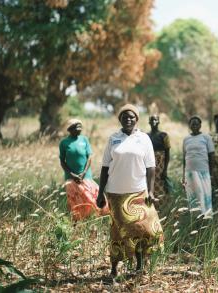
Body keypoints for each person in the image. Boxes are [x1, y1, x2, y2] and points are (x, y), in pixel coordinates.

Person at [96, 104, 164, 278]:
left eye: (131, 117)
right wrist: (100, 193)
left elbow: (151, 167)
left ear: (137, 119)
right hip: (115, 194)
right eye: (124, 116)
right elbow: (104, 167)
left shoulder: (143, 138)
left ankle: (140, 266)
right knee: (118, 231)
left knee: (142, 229)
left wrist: (150, 191)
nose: (128, 119)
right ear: (120, 119)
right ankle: (113, 269)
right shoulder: (113, 139)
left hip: (139, 193)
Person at [59, 119, 106, 221]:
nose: (79, 128)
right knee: (75, 203)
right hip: (71, 179)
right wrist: (72, 175)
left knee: (92, 199)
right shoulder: (64, 143)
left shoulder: (84, 140)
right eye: (76, 126)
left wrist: (83, 173)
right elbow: (62, 161)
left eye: (80, 126)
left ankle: (95, 219)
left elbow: (89, 158)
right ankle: (77, 223)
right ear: (70, 129)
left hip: (86, 177)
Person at [183, 116, 215, 217]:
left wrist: (212, 173)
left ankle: (207, 219)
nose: (195, 125)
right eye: (192, 124)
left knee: (205, 195)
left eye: (197, 123)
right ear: (189, 125)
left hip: (203, 172)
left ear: (200, 125)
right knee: (193, 198)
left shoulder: (206, 137)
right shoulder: (186, 139)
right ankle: (195, 219)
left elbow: (211, 156)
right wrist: (183, 174)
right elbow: (184, 157)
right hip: (189, 173)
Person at [147, 114, 171, 202]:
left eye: (156, 120)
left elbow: (167, 153)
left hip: (160, 168)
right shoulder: (146, 136)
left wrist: (165, 170)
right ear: (149, 122)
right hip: (149, 166)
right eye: (152, 120)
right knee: (149, 184)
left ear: (159, 122)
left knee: (161, 187)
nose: (154, 122)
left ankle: (162, 209)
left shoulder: (164, 135)